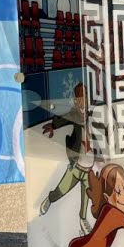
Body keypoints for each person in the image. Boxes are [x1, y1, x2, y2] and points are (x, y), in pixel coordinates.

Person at [39, 82, 95, 234]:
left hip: (89, 168)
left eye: (85, 96)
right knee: (61, 190)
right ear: (76, 100)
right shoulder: (75, 113)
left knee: (86, 197)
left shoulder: (94, 114)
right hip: (76, 167)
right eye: (80, 97)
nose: (83, 100)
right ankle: (50, 199)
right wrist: (53, 126)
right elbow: (63, 118)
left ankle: (83, 220)